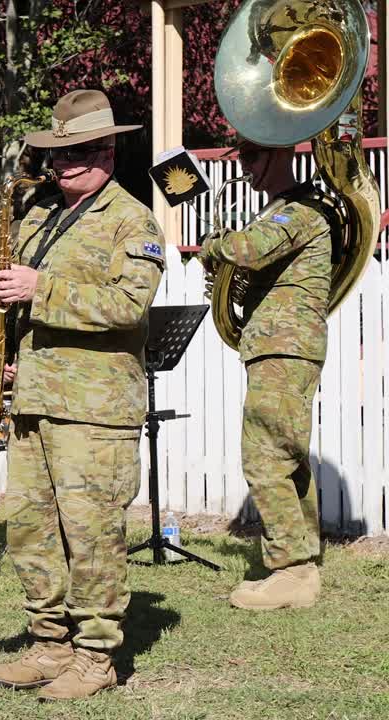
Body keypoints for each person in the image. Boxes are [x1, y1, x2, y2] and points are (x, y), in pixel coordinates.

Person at [0, 89, 164, 701]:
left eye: (81, 151)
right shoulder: (37, 215)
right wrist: (6, 349)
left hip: (95, 409)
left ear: (109, 149)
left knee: (91, 534)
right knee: (31, 530)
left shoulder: (133, 219)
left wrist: (41, 287)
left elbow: (129, 305)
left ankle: (95, 654)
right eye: (59, 153)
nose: (65, 164)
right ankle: (50, 641)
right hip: (35, 398)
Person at [199, 139, 332, 611]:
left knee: (266, 457)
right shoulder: (283, 211)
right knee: (285, 454)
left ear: (278, 155)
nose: (246, 168)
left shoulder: (298, 212)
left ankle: (291, 569)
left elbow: (247, 250)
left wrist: (213, 245)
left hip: (284, 347)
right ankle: (299, 565)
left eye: (252, 158)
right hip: (278, 346)